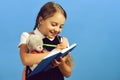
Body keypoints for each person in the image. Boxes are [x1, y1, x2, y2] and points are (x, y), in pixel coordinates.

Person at [18, 1, 73, 80]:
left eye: (61, 26)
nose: (57, 29)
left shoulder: (63, 41)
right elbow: (25, 59)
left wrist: (61, 63)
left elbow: (68, 73)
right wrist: (55, 52)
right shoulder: (28, 36)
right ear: (41, 20)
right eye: (54, 24)